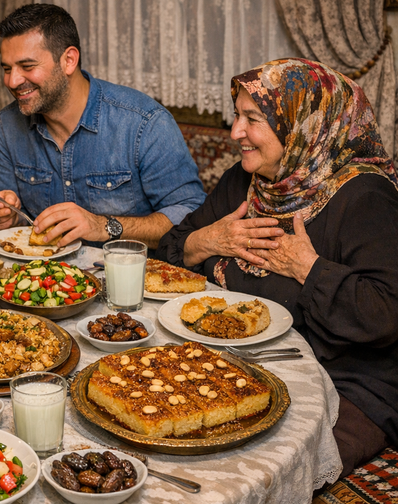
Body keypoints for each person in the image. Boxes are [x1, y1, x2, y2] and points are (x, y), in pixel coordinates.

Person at [157, 58, 398, 477]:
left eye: (252, 119)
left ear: (304, 126)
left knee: (250, 470)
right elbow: (170, 255)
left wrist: (308, 267)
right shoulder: (248, 181)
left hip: (348, 381)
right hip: (246, 361)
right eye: (237, 116)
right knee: (167, 435)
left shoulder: (365, 197)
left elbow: (386, 313)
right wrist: (205, 241)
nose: (235, 133)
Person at [0, 4, 205, 248]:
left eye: (27, 67)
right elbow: (10, 229)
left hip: (130, 278)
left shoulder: (144, 122)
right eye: (6, 69)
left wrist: (102, 226)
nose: (12, 81)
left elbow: (190, 216)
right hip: (43, 279)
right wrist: (3, 217)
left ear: (69, 60)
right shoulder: (6, 126)